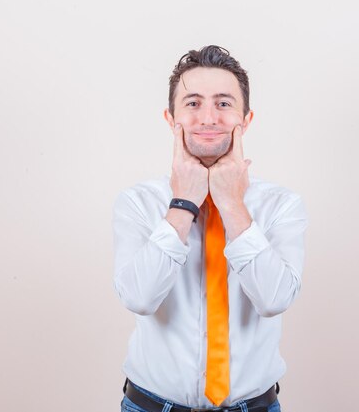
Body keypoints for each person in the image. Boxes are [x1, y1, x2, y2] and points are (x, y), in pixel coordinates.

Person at [113, 45, 307, 412]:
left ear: (245, 119)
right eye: (192, 103)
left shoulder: (282, 205)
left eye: (223, 103)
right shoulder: (137, 202)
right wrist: (183, 203)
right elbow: (138, 297)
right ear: (171, 119)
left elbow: (274, 299)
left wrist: (232, 204)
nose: (208, 117)